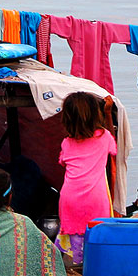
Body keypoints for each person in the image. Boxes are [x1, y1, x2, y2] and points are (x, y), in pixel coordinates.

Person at [56, 92, 117, 264]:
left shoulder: (66, 143)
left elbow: (64, 163)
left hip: (70, 200)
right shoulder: (104, 137)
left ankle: (75, 269)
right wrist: (107, 113)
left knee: (75, 252)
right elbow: (113, 143)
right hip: (96, 200)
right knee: (98, 248)